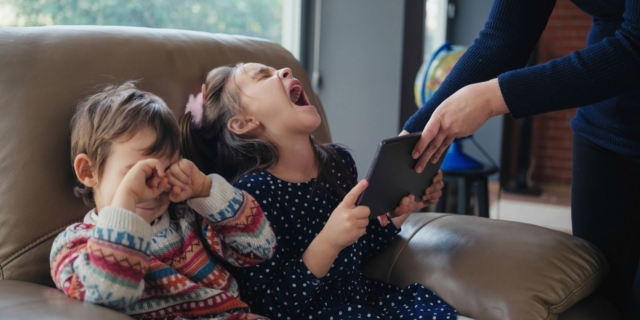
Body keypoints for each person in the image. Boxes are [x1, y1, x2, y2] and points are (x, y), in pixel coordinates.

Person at [403, 0, 640, 318]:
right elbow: (503, 36)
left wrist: (492, 98)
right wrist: (413, 136)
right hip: (604, 129)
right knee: (602, 300)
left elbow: (634, 49)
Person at [179, 63, 455, 319]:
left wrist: (398, 211)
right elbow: (270, 304)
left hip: (363, 302)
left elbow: (357, 251)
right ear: (243, 123)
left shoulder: (338, 163)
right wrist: (328, 241)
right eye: (263, 76)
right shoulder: (250, 199)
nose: (284, 70)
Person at [50, 82, 276, 320]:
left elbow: (260, 247)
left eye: (167, 170)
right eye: (142, 173)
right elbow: (109, 294)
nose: (155, 188)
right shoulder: (74, 243)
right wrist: (126, 201)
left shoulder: (187, 218)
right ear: (88, 171)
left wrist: (205, 189)